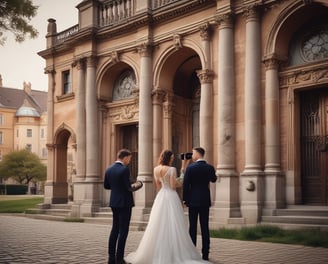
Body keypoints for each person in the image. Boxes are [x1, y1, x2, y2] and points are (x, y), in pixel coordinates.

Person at [125, 150, 211, 264]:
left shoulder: (156, 169)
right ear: (168, 158)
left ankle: (157, 252)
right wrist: (182, 173)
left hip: (161, 197)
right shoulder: (171, 169)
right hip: (171, 197)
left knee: (159, 225)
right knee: (174, 224)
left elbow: (158, 186)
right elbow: (174, 185)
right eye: (171, 157)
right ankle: (174, 252)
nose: (172, 159)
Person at [104, 149, 142, 264]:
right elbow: (128, 187)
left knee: (114, 229)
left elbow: (106, 186)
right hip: (125, 203)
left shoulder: (109, 169)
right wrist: (139, 184)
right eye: (129, 158)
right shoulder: (124, 169)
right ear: (125, 157)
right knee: (123, 231)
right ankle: (119, 259)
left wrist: (117, 188)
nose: (129, 161)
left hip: (114, 202)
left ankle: (111, 258)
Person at [183, 147, 217, 261]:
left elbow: (186, 185)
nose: (192, 155)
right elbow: (213, 179)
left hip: (192, 201)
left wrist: (185, 200)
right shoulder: (209, 167)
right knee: (205, 227)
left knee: (192, 227)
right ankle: (205, 254)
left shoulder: (190, 168)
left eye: (193, 153)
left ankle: (192, 253)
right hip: (205, 200)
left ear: (197, 154)